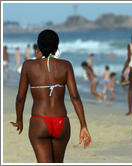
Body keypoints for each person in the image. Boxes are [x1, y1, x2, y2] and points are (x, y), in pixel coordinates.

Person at [11, 29, 92, 163]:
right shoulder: (66, 66)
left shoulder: (28, 66)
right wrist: (83, 125)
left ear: (38, 47)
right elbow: (75, 97)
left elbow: (20, 97)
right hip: (61, 121)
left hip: (39, 121)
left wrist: (19, 120)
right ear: (56, 47)